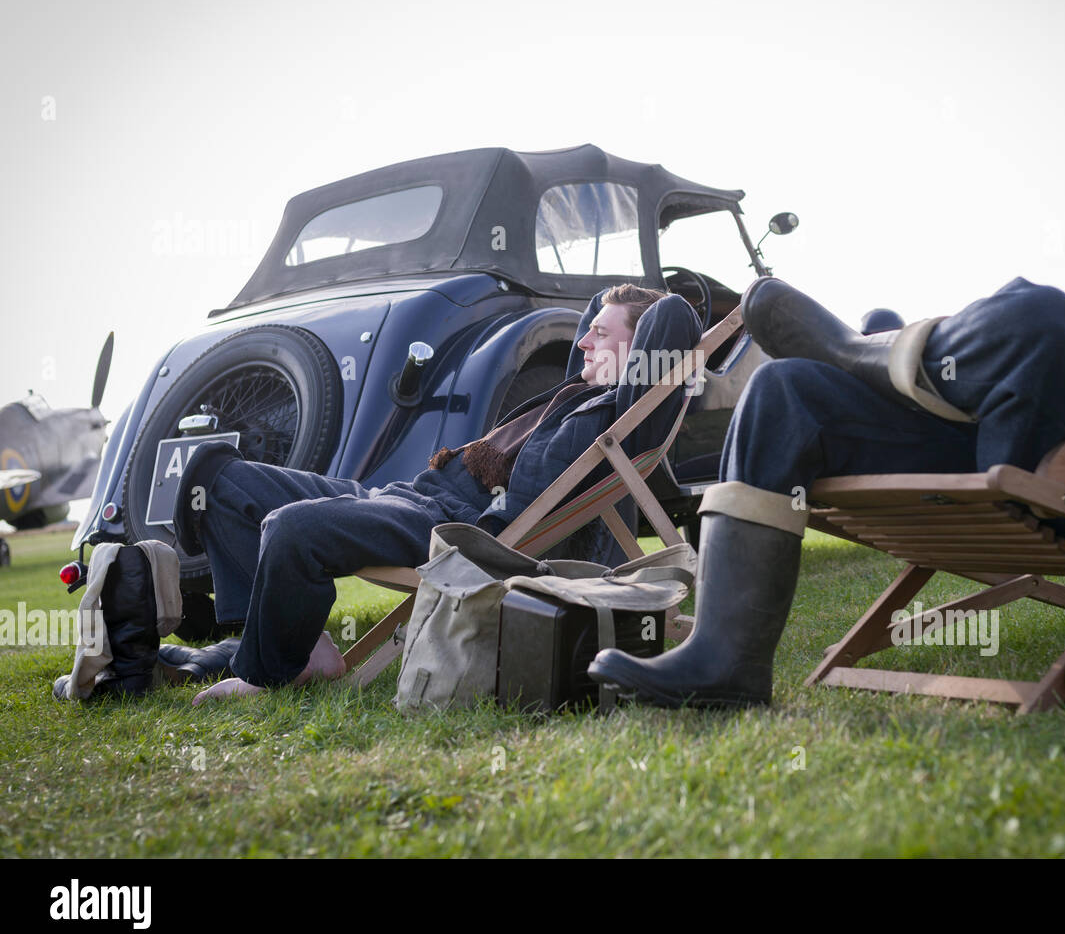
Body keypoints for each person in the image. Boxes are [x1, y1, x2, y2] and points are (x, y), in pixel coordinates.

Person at [589, 148, 1065, 709]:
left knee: (1039, 310)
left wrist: (1058, 359)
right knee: (787, 385)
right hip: (1008, 451)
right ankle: (725, 659)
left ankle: (871, 352)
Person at [169, 284, 700, 702]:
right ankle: (299, 645)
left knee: (290, 528)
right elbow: (595, 329)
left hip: (452, 523)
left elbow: (670, 320)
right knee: (219, 478)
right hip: (411, 495)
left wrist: (656, 312)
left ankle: (266, 671)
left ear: (640, 355)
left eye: (601, 336)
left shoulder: (620, 417)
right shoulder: (572, 394)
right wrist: (606, 315)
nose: (582, 340)